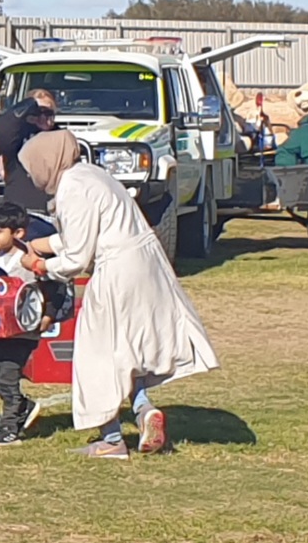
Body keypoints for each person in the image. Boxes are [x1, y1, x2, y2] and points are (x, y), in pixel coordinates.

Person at [18, 131, 218, 459]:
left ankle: (111, 438)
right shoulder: (93, 175)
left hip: (117, 272)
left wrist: (40, 265)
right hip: (146, 266)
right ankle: (143, 410)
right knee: (127, 349)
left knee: (96, 355)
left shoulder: (72, 187)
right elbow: (87, 231)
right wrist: (44, 244)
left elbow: (79, 257)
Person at [0, 203, 46, 446]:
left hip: (22, 331)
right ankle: (22, 405)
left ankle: (9, 428)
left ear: (18, 233)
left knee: (7, 376)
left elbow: (43, 290)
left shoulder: (28, 259)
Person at [0, 89, 59, 218]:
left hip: (54, 210)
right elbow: (1, 129)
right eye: (38, 112)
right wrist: (29, 105)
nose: (43, 117)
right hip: (20, 211)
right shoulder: (16, 137)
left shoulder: (62, 137)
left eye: (48, 113)